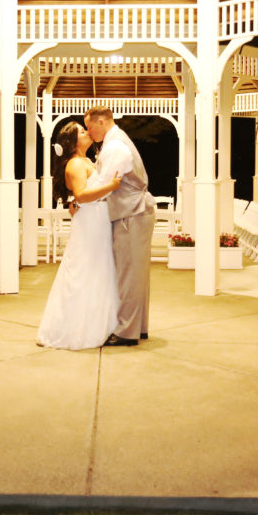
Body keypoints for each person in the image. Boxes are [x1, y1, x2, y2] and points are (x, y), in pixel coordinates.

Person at [36, 122, 123, 350]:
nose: (87, 132)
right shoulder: (75, 164)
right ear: (73, 141)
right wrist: (111, 186)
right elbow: (82, 195)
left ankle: (102, 323)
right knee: (86, 269)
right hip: (90, 221)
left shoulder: (86, 160)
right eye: (82, 131)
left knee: (99, 269)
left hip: (97, 219)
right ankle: (78, 328)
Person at [84, 106, 156, 347]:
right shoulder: (116, 141)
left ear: (102, 122)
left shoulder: (115, 146)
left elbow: (105, 184)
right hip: (133, 212)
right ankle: (138, 327)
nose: (88, 131)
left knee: (129, 275)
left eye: (90, 126)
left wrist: (79, 199)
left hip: (131, 213)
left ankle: (127, 332)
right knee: (136, 274)